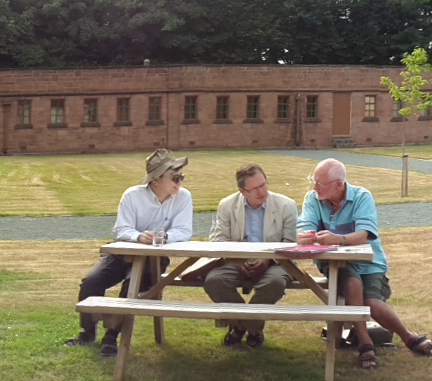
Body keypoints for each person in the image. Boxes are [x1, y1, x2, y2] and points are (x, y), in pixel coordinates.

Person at [299, 159, 432, 369]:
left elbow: (365, 234)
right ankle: (366, 344)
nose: (315, 188)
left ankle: (408, 337)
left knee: (373, 303)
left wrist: (339, 239)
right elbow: (304, 226)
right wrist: (303, 235)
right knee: (352, 284)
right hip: (335, 263)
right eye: (314, 181)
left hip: (370, 263)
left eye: (320, 183)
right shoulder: (313, 199)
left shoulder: (361, 196)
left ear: (338, 184)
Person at [69, 150, 195, 358]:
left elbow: (184, 231)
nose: (180, 181)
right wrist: (139, 237)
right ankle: (87, 333)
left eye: (182, 176)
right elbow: (121, 230)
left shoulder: (183, 197)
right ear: (156, 180)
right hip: (122, 253)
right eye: (175, 177)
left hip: (153, 259)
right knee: (91, 283)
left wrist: (163, 236)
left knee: (132, 288)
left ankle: (111, 337)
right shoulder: (132, 196)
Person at [202, 163, 300, 350]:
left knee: (275, 283)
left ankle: (241, 329)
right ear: (242, 191)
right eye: (255, 188)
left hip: (276, 262)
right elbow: (217, 241)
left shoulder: (286, 206)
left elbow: (291, 244)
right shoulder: (227, 205)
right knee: (214, 281)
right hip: (236, 261)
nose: (262, 191)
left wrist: (268, 260)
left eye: (263, 185)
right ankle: (251, 328)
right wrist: (238, 261)